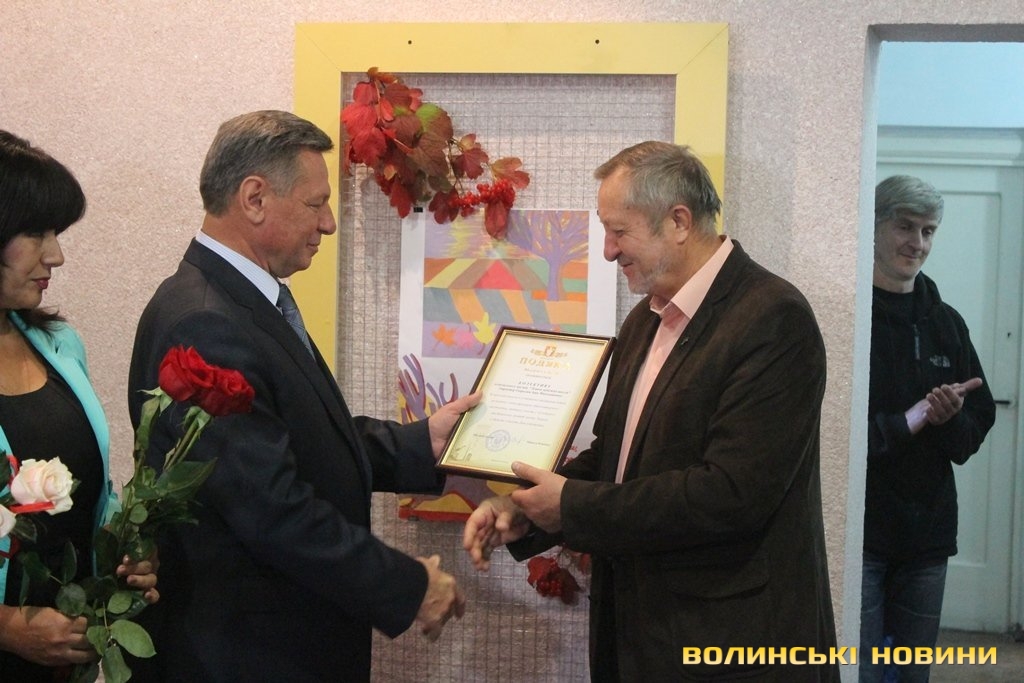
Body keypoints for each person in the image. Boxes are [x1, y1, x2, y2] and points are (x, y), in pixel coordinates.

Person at [464, 141, 839, 681]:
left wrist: (571, 506)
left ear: (679, 222)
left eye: (618, 231)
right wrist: (524, 509)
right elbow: (614, 458)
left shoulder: (773, 318)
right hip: (637, 639)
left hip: (729, 647)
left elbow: (733, 494)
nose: (607, 251)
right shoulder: (646, 319)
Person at [126, 110, 478, 683]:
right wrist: (407, 585)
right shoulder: (206, 322)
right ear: (255, 198)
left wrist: (421, 443)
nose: (329, 224)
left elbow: (295, 438)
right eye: (316, 204)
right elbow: (269, 506)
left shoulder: (237, 300)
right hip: (248, 656)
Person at [0, 131, 159, 681]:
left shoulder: (60, 345)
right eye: (35, 233)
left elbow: (91, 492)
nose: (56, 255)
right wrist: (5, 628)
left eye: (56, 234)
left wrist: (128, 553)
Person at [859, 175, 995, 683]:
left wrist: (949, 417)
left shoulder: (947, 324)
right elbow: (832, 434)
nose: (917, 243)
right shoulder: (850, 319)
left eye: (929, 230)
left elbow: (976, 425)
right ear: (874, 227)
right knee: (860, 672)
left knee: (911, 674)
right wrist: (908, 421)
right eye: (905, 226)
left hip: (927, 538)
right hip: (862, 534)